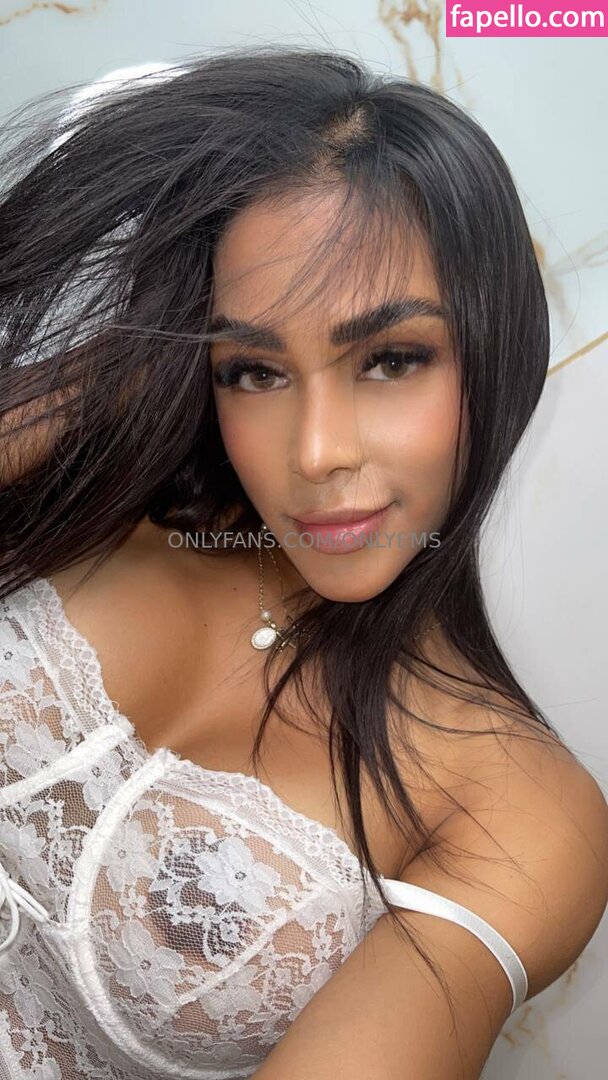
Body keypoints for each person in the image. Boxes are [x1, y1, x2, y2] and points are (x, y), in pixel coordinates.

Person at [0, 44, 606, 1080]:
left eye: (391, 359)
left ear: (493, 353)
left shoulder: (515, 810)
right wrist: (154, 357)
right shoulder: (110, 498)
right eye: (257, 370)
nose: (317, 452)